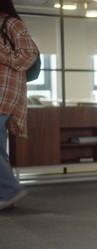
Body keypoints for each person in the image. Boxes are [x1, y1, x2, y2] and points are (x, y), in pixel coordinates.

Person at [0, 0, 39, 210]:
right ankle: (7, 196)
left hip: (4, 95)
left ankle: (10, 191)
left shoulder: (11, 24)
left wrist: (2, 54)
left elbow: (28, 56)